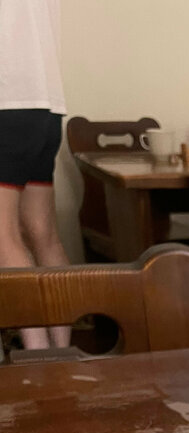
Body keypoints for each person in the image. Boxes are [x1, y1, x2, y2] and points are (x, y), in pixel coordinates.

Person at [0, 0, 70, 349]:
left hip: (6, 102)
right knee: (44, 234)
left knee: (3, 236)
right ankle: (63, 352)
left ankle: (38, 358)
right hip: (47, 108)